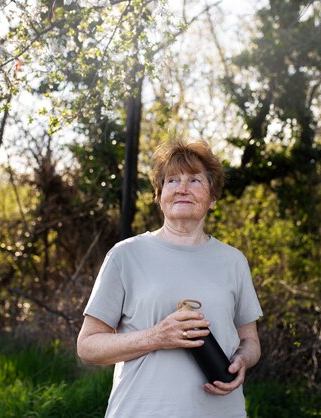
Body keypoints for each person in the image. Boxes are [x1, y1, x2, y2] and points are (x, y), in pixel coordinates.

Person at [77, 139, 262, 418]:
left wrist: (242, 360)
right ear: (160, 195)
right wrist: (156, 336)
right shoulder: (125, 255)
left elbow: (250, 341)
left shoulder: (233, 261)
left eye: (195, 180)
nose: (182, 188)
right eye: (172, 180)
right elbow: (88, 347)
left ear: (212, 198)